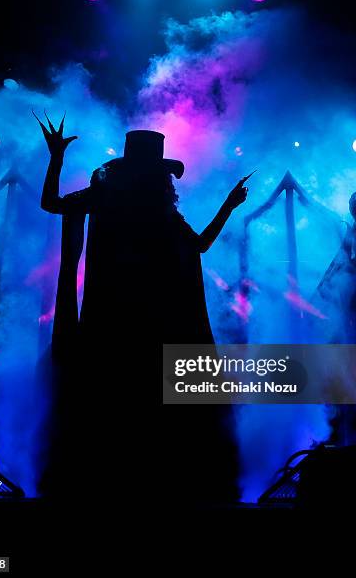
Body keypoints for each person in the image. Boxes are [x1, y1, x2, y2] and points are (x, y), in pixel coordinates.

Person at [36, 113, 249, 504]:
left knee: (111, 413)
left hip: (112, 325)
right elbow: (200, 245)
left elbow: (51, 203)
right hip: (155, 325)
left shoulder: (111, 198)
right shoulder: (158, 210)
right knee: (153, 416)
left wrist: (56, 158)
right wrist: (230, 206)